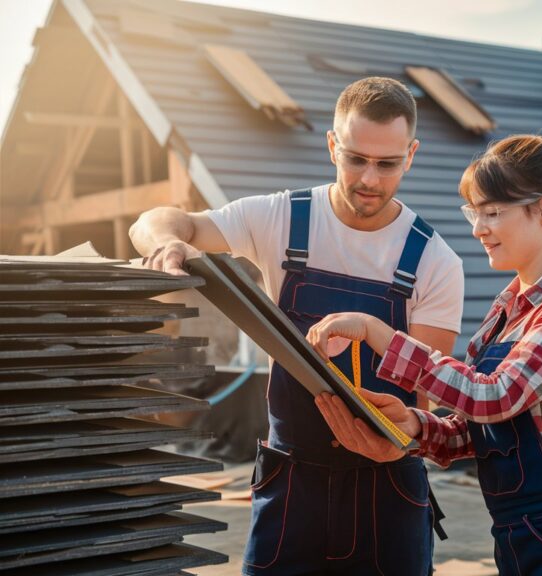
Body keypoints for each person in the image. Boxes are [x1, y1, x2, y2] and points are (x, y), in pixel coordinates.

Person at [129, 77, 464, 575]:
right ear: (332, 145)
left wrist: (395, 440)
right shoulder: (283, 218)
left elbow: (424, 397)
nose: (369, 179)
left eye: (387, 163)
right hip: (292, 486)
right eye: (355, 158)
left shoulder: (435, 260)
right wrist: (169, 243)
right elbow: (158, 220)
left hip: (387, 490)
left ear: (411, 155)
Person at [308, 132, 542, 576]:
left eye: (491, 213)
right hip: (519, 539)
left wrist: (380, 335)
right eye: (475, 212)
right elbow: (486, 428)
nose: (478, 229)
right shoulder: (507, 308)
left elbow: (496, 397)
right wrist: (415, 426)